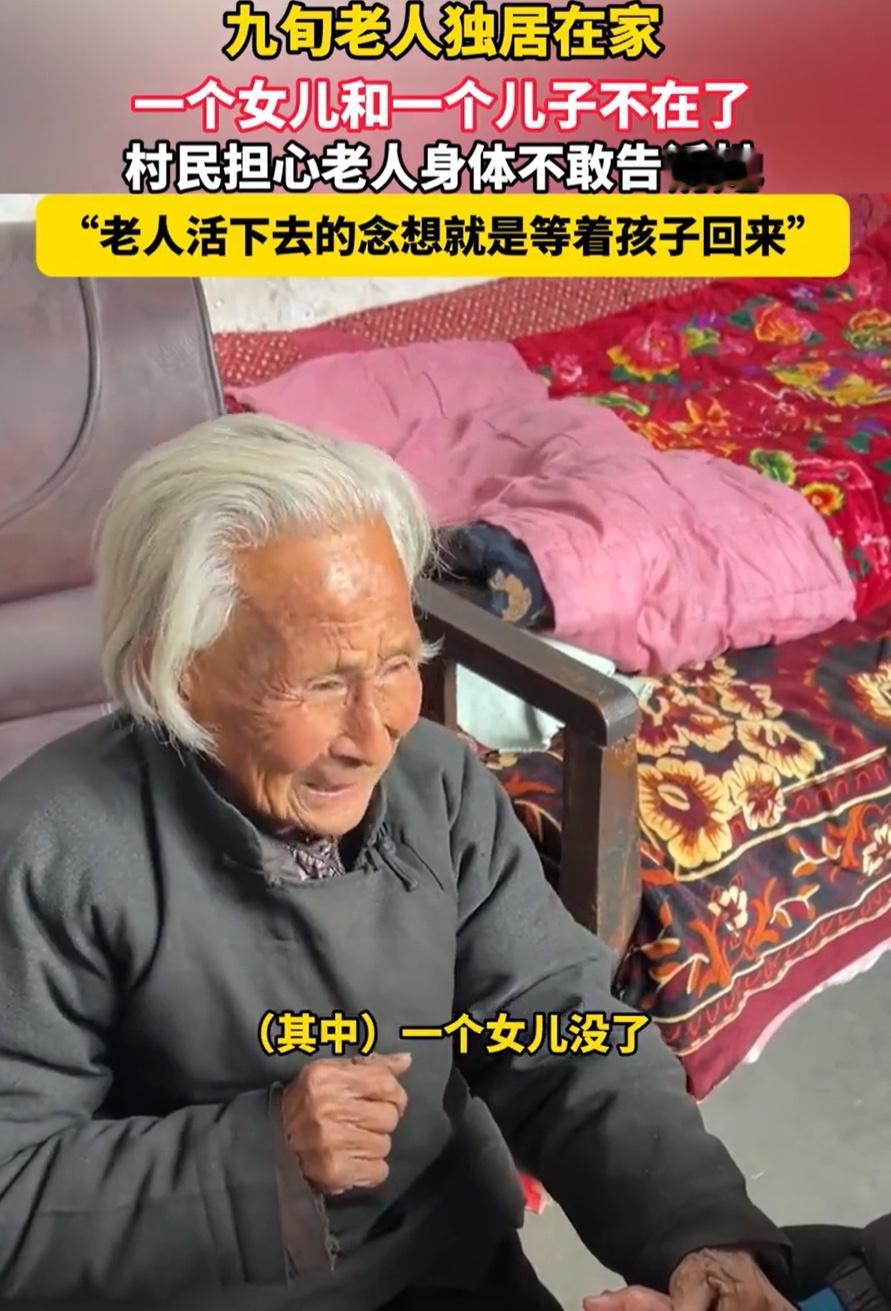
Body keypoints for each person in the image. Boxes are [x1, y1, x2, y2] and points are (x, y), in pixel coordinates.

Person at [0, 414, 796, 1311]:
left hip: (447, 1265)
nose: (375, 734)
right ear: (175, 671)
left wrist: (695, 1231)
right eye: (321, 682)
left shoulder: (436, 785)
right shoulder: (47, 854)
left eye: (394, 664)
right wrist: (260, 1160)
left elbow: (551, 1020)